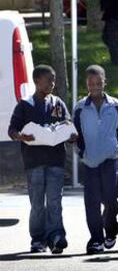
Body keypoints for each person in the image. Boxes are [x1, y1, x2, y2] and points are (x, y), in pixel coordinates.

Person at [8, 65, 77, 254]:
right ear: (37, 81)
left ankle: (56, 237)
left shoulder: (58, 103)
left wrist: (71, 135)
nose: (52, 83)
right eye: (49, 80)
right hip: (34, 161)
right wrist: (21, 136)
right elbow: (12, 130)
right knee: (37, 203)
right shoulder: (25, 104)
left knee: (55, 200)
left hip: (56, 160)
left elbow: (68, 125)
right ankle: (37, 239)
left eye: (54, 80)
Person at [73, 65, 118, 254]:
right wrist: (82, 153)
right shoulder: (80, 107)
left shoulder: (115, 105)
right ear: (86, 84)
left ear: (104, 82)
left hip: (109, 159)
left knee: (111, 200)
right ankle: (96, 239)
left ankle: (111, 230)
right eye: (91, 83)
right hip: (89, 162)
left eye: (98, 82)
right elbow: (76, 134)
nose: (95, 86)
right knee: (92, 202)